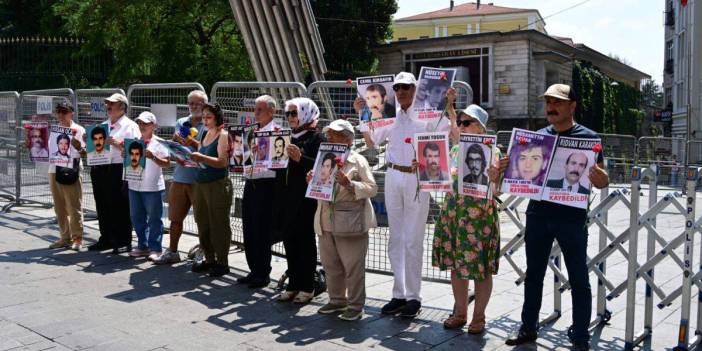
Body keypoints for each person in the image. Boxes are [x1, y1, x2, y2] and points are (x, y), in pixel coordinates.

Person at [502, 84, 609, 351]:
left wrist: (602, 179)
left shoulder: (589, 138)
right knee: (534, 275)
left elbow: (603, 178)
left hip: (571, 218)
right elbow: (521, 173)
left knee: (578, 277)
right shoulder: (538, 136)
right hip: (538, 213)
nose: (551, 107)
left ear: (572, 106)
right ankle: (528, 328)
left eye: (557, 102)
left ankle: (581, 336)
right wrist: (506, 168)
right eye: (548, 102)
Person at [360, 72, 453, 319]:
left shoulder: (427, 115)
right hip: (393, 175)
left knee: (413, 239)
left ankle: (414, 296)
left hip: (416, 178)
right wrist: (363, 114)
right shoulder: (389, 116)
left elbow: (446, 134)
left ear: (415, 89)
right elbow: (371, 142)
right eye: (398, 88)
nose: (401, 92)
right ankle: (398, 294)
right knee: (396, 238)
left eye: (406, 87)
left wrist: (449, 105)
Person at [433, 100, 501, 333]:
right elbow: (441, 180)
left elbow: (499, 191)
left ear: (480, 128)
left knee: (481, 268)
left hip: (480, 219)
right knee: (456, 266)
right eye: (459, 122)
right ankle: (460, 313)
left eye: (466, 122)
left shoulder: (494, 152)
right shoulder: (453, 150)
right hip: (454, 216)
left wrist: (495, 177)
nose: (460, 126)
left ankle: (479, 317)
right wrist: (424, 169)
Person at [309, 119, 377, 321]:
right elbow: (320, 186)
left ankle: (356, 305)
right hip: (325, 219)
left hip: (350, 221)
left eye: (335, 134)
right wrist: (312, 181)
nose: (329, 137)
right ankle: (337, 300)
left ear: (348, 139)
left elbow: (372, 188)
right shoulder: (324, 158)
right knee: (331, 264)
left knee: (353, 266)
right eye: (329, 134)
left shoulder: (358, 160)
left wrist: (350, 184)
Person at [273, 97, 325, 304]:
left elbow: (323, 166)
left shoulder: (316, 138)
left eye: (295, 113)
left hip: (305, 199)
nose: (291, 118)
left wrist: (300, 158)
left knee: (305, 242)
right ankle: (293, 283)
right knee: (290, 241)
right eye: (288, 114)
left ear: (306, 112)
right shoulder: (288, 137)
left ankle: (307, 285)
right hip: (287, 198)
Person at [152, 90, 207, 265]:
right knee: (175, 218)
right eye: (191, 103)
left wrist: (193, 143)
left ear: (205, 105)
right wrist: (174, 143)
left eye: (198, 103)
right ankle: (172, 251)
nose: (194, 106)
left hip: (200, 179)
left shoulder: (209, 124)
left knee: (202, 220)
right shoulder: (181, 122)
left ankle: (204, 251)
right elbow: (176, 151)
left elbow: (209, 151)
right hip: (180, 176)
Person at [86, 93, 141, 254]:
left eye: (112, 103)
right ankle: (106, 239)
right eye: (107, 103)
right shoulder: (103, 125)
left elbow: (136, 150)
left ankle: (123, 240)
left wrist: (117, 144)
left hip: (118, 169)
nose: (108, 106)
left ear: (122, 107)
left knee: (120, 206)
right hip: (100, 168)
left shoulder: (130, 126)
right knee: (102, 205)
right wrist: (86, 140)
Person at [189, 103, 233, 277]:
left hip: (217, 184)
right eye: (204, 117)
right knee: (202, 222)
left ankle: (222, 261)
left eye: (209, 117)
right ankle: (209, 258)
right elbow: (201, 159)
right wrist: (188, 158)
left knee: (219, 224)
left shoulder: (223, 135)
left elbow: (222, 162)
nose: (205, 120)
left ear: (217, 118)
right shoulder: (205, 133)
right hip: (201, 183)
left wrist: (201, 157)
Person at [241, 95, 280, 288]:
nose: (256, 113)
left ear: (271, 111)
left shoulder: (277, 132)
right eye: (255, 110)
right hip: (251, 181)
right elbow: (245, 157)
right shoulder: (252, 131)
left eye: (260, 110)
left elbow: (278, 163)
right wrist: (249, 152)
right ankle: (253, 269)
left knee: (261, 229)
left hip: (266, 184)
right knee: (249, 226)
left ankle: (262, 272)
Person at [127, 112, 170, 261]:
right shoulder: (133, 142)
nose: (142, 126)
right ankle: (143, 245)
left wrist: (153, 156)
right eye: (140, 123)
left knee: (154, 219)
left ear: (154, 126)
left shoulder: (160, 142)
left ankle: (156, 247)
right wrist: (124, 155)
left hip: (152, 187)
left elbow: (167, 163)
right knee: (136, 217)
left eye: (145, 123)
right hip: (134, 185)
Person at [48, 102, 85, 251]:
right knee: (59, 207)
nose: (60, 115)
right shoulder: (54, 130)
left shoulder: (79, 130)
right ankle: (65, 237)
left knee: (73, 205)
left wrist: (78, 146)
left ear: (72, 113)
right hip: (54, 169)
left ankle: (77, 238)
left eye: (64, 111)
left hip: (71, 170)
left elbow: (85, 153)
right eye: (58, 112)